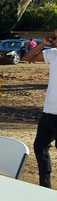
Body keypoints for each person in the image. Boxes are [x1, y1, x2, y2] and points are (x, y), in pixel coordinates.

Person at [23, 32, 57, 187]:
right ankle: (45, 185)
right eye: (53, 36)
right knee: (39, 146)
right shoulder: (53, 54)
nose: (53, 39)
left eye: (56, 37)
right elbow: (27, 58)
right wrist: (43, 44)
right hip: (48, 112)